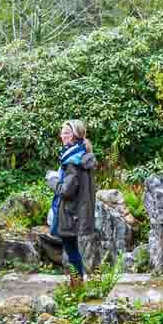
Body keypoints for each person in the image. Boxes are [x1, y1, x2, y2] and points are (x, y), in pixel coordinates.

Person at [53, 120, 96, 282]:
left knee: (71, 251)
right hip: (78, 211)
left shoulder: (73, 160)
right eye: (62, 132)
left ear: (74, 136)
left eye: (65, 133)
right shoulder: (81, 155)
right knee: (73, 250)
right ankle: (77, 284)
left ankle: (77, 286)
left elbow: (66, 190)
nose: (61, 136)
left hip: (71, 212)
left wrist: (52, 180)